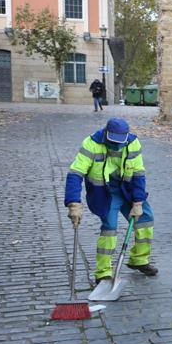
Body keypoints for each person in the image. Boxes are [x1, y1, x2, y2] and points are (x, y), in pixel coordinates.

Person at [65, 117, 157, 283]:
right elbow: (75, 173)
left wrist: (138, 202)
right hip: (105, 193)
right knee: (110, 228)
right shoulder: (91, 143)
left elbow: (138, 174)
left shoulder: (133, 143)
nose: (117, 145)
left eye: (120, 141)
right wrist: (73, 203)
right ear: (106, 133)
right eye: (113, 141)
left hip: (127, 190)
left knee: (145, 220)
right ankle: (103, 272)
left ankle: (139, 260)